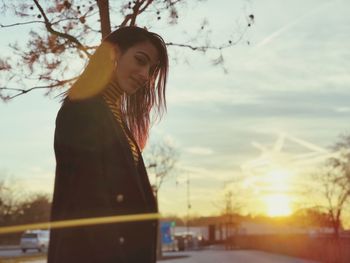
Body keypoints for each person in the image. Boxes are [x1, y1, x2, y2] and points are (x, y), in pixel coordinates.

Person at [47, 26, 169, 263]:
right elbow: (90, 199)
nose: (145, 75)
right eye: (140, 60)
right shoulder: (82, 109)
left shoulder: (113, 116)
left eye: (151, 69)